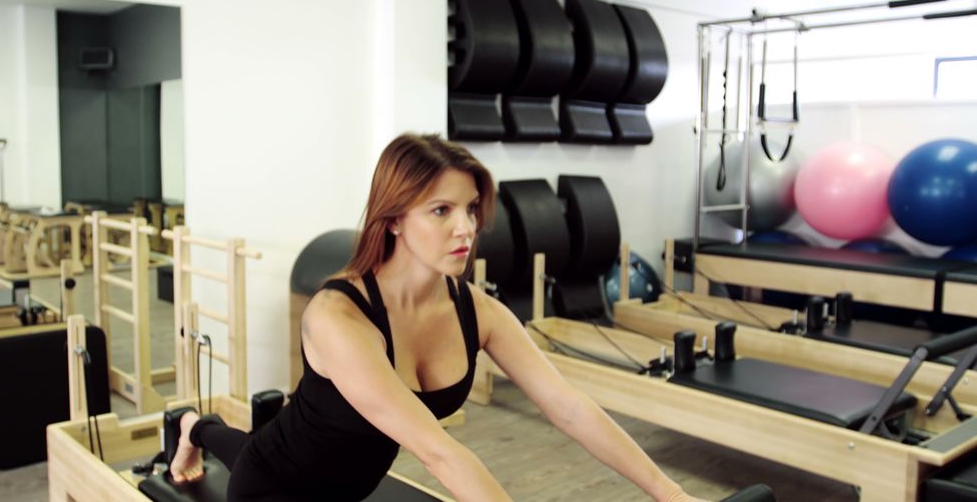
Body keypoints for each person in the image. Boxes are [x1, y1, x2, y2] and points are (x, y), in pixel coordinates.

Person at [169, 133, 704, 501]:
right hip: (276, 488)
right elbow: (438, 452)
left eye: (470, 208)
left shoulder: (479, 313)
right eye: (441, 211)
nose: (466, 228)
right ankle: (196, 427)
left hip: (353, 487)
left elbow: (568, 407)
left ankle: (196, 426)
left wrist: (671, 492)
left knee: (251, 443)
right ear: (395, 219)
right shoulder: (338, 318)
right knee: (252, 452)